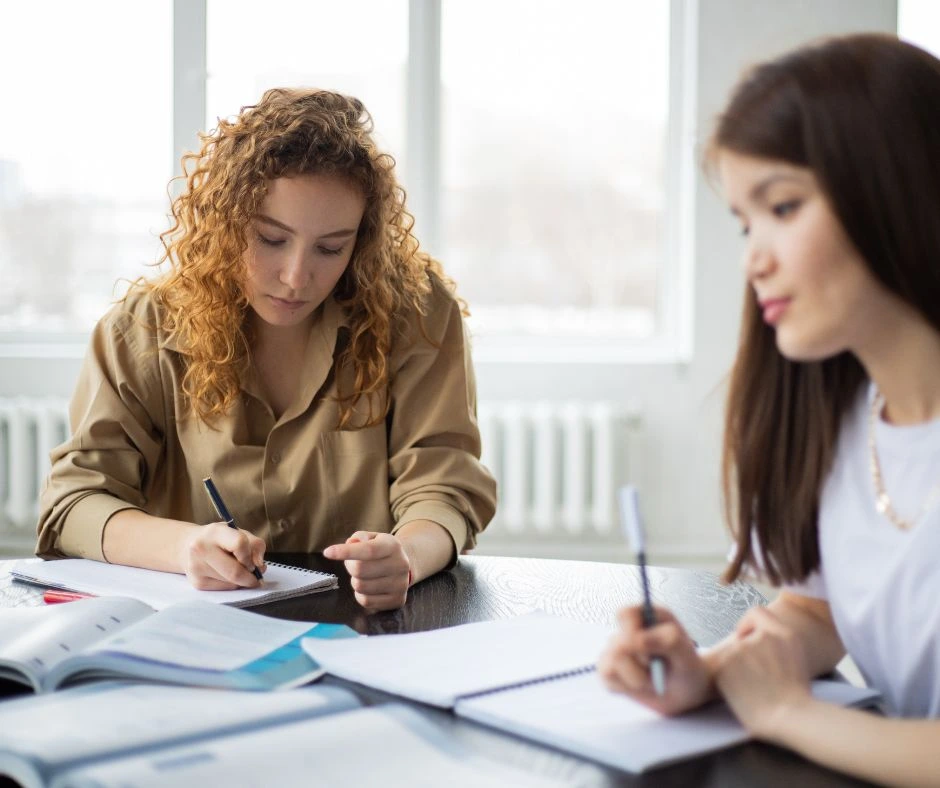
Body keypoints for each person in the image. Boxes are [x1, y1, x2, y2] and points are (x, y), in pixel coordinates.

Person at [598, 33, 940, 786]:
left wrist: (789, 713)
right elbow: (817, 614)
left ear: (898, 189)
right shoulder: (843, 419)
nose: (754, 257)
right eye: (746, 223)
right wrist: (711, 674)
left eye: (783, 207)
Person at [37, 88, 497, 613]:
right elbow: (73, 504)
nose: (297, 276)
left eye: (331, 248)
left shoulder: (415, 312)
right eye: (270, 239)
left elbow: (444, 481)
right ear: (226, 223)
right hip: (197, 636)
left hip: (366, 632)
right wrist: (186, 547)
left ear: (362, 242)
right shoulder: (142, 329)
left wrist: (407, 556)